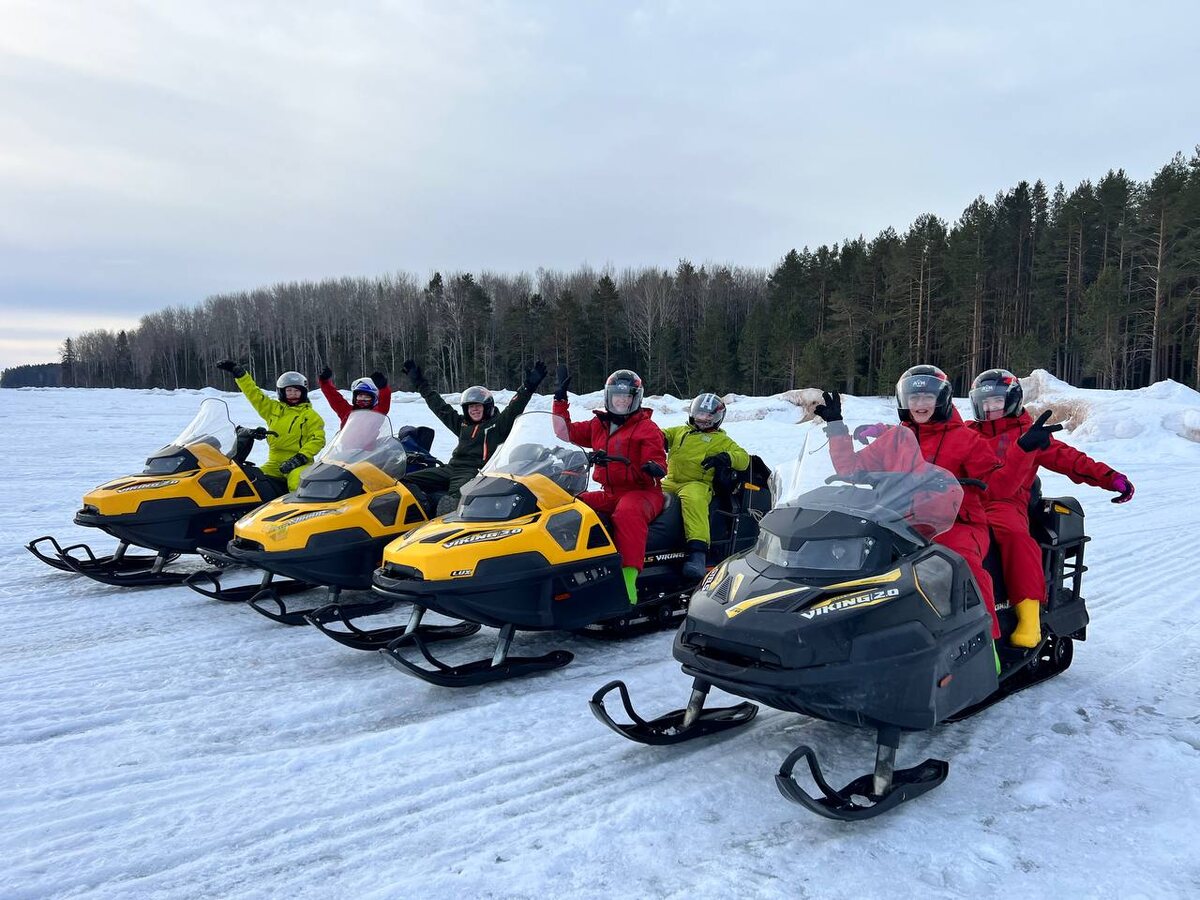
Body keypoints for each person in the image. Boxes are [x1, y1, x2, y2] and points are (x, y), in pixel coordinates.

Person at [817, 365, 1027, 655]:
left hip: (958, 523)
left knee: (959, 564)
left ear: (941, 398)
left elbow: (998, 485)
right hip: (899, 520)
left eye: (927, 397)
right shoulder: (896, 438)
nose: (920, 405)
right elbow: (850, 467)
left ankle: (985, 648)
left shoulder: (966, 439)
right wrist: (837, 427)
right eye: (914, 399)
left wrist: (1023, 452)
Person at [967, 368, 1134, 648]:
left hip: (1006, 503)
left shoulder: (1029, 433)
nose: (990, 407)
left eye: (996, 401)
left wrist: (1111, 478)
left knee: (1015, 537)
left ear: (1011, 400)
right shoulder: (968, 431)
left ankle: (1028, 617)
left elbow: (1070, 459)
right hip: (964, 499)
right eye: (984, 401)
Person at [552, 365, 667, 604]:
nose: (621, 402)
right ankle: (563, 568)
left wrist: (653, 467)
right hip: (609, 493)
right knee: (570, 504)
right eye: (617, 397)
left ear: (635, 399)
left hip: (642, 492)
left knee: (627, 513)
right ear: (609, 397)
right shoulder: (598, 424)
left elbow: (657, 459)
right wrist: (560, 400)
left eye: (626, 397)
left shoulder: (647, 428)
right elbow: (566, 432)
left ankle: (628, 582)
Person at [400, 358, 546, 514]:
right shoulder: (462, 425)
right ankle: (420, 510)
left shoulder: (497, 425)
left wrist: (528, 388)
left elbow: (514, 408)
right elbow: (439, 407)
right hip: (451, 468)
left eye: (478, 406)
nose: (474, 410)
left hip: (474, 472)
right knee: (403, 482)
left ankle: (444, 525)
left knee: (453, 500)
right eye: (470, 407)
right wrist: (420, 384)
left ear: (487, 407)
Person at [661, 393, 750, 579]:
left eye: (709, 416)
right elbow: (658, 435)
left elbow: (743, 459)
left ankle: (698, 552)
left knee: (694, 501)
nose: (703, 419)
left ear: (717, 418)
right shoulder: (679, 431)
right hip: (670, 480)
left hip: (696, 483)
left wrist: (727, 457)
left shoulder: (721, 440)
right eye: (700, 414)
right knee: (645, 494)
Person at [215, 359, 326, 491]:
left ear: (303, 392)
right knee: (252, 480)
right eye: (289, 391)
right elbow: (254, 394)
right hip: (274, 463)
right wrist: (240, 374)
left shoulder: (310, 416)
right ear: (282, 392)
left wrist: (300, 458)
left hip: (299, 463)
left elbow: (317, 439)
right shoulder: (273, 409)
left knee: (297, 480)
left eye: (297, 391)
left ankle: (298, 510)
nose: (293, 394)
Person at [318, 366, 392, 427]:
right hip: (346, 444)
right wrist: (324, 382)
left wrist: (383, 388)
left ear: (374, 399)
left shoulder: (376, 414)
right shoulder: (347, 411)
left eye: (367, 396)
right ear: (355, 397)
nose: (363, 398)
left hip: (369, 445)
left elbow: (384, 404)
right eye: (360, 395)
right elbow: (333, 397)